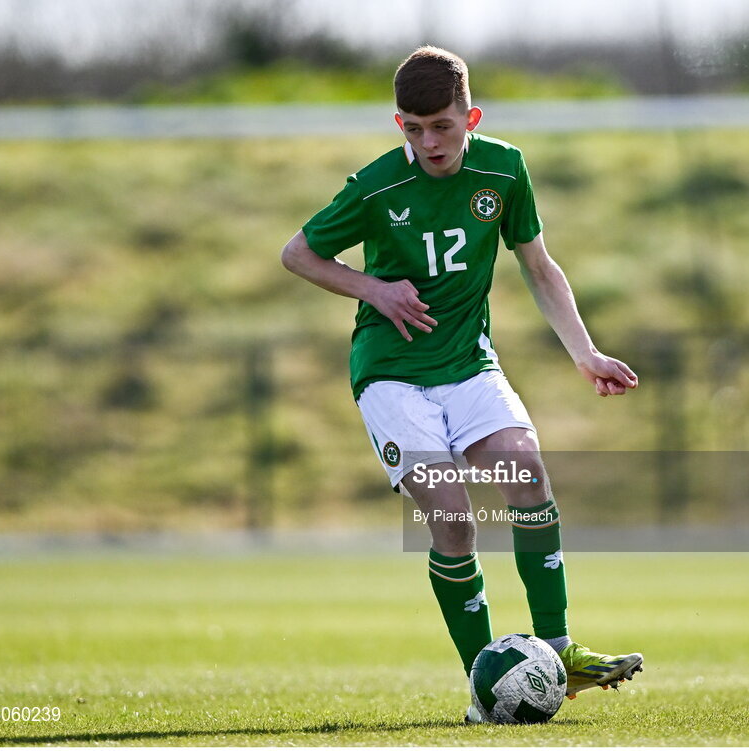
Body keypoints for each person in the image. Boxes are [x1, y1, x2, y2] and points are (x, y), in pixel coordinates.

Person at [281, 46, 642, 722]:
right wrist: (373, 289)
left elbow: (537, 265)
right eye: (413, 129)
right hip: (390, 375)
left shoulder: (503, 170)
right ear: (399, 125)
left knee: (526, 470)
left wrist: (584, 351)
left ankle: (558, 654)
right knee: (451, 521)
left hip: (469, 364)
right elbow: (298, 252)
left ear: (469, 115)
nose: (428, 142)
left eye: (442, 126)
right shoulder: (377, 186)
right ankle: (487, 685)